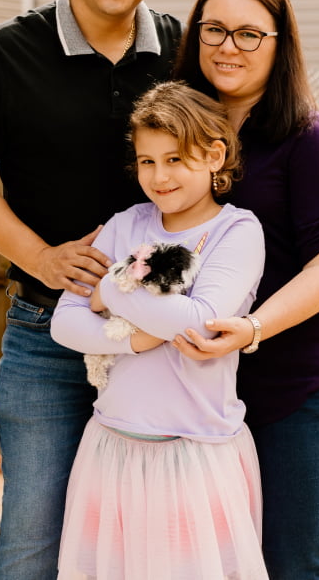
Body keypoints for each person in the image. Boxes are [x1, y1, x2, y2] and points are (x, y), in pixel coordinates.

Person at [0, 0, 181, 577]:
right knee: (32, 543)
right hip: (45, 336)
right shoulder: (7, 53)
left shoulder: (182, 52)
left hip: (158, 340)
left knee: (148, 542)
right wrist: (40, 257)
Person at [170, 0, 319, 580]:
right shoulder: (182, 138)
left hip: (302, 385)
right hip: (211, 390)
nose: (229, 46)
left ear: (279, 46)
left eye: (251, 34)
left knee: (290, 563)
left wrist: (252, 329)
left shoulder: (309, 138)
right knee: (215, 561)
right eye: (216, 29)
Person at [50, 81, 268, 579]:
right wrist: (132, 340)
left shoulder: (237, 232)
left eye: (174, 159)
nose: (159, 176)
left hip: (192, 451)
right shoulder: (127, 223)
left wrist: (110, 290)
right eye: (147, 161)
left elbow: (200, 324)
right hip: (112, 445)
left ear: (215, 155)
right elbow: (64, 323)